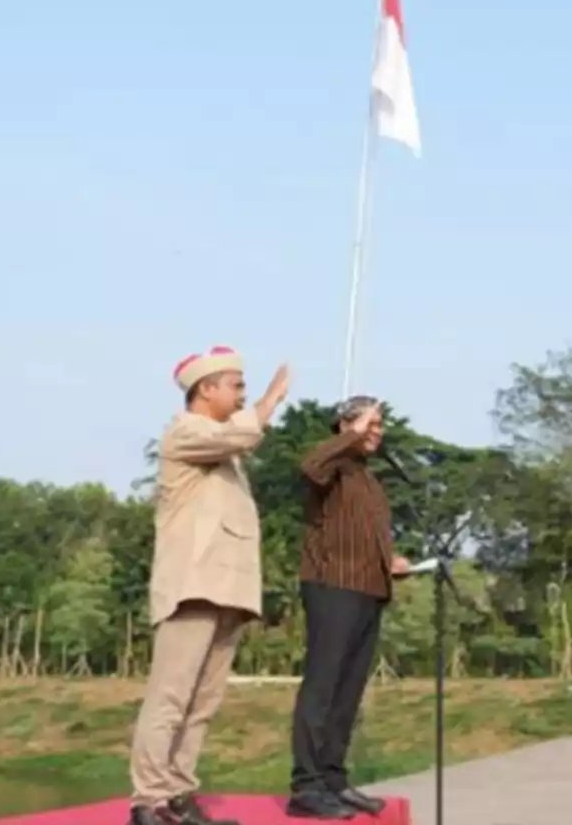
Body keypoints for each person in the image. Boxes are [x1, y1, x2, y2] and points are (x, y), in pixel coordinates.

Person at [128, 348, 290, 825]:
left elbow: (237, 436)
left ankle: (178, 793)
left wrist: (258, 409)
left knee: (202, 703)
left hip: (229, 591)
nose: (242, 393)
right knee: (171, 698)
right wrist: (269, 401)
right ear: (206, 389)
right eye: (236, 385)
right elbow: (242, 433)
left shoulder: (224, 449)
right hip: (192, 587)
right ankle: (148, 801)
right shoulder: (187, 432)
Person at [288, 396, 412, 819]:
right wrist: (349, 436)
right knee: (323, 687)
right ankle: (305, 786)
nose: (377, 430)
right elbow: (309, 466)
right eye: (369, 423)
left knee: (348, 692)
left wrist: (390, 562)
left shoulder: (367, 479)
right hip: (332, 586)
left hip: (369, 589)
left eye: (380, 424)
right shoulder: (332, 466)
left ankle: (333, 780)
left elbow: (361, 535)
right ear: (344, 424)